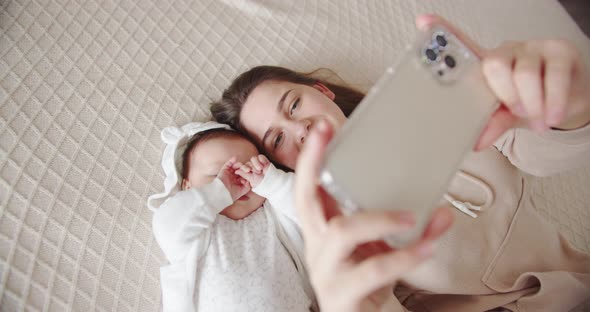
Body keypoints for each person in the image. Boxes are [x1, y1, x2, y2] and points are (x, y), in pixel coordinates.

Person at [211, 14, 590, 312]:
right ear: (280, 164)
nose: (300, 128)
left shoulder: (434, 112)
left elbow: (535, 149)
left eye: (294, 105)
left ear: (321, 91)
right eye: (277, 139)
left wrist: (572, 108)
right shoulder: (341, 232)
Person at [146, 122, 316, 312]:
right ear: (188, 187)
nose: (239, 180)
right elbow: (166, 224)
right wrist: (218, 191)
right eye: (217, 175)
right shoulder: (198, 231)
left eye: (250, 170)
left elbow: (310, 210)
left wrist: (273, 182)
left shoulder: (273, 212)